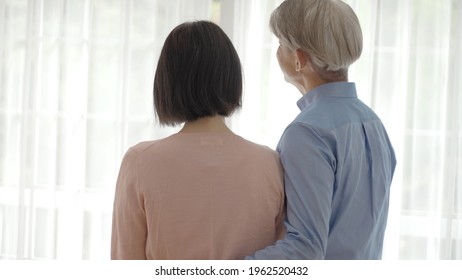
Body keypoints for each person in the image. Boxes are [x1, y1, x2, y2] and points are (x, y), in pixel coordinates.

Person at [111, 21, 285, 260]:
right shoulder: (270, 163)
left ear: (168, 82)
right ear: (231, 78)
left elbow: (125, 260)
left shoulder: (140, 162)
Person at [248, 0, 396, 259]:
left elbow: (305, 249)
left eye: (281, 44)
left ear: (299, 59)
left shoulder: (307, 132)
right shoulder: (374, 124)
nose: (277, 52)